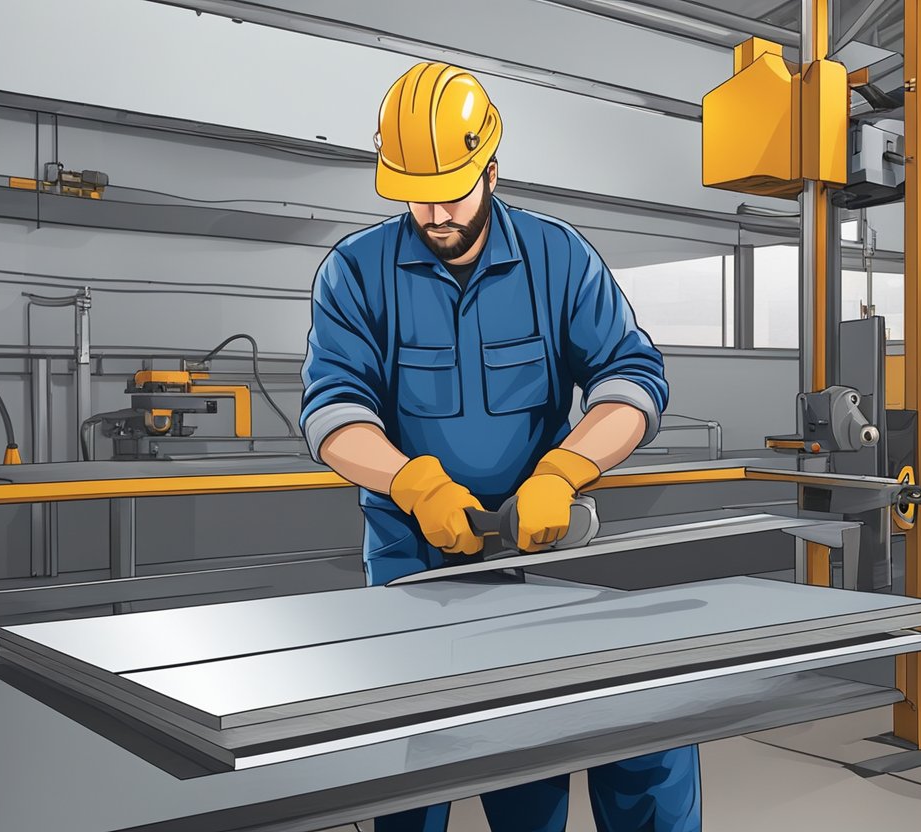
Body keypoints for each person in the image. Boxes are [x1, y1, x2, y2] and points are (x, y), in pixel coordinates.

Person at [300, 62, 700, 832]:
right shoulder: (354, 272)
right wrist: (412, 484)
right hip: (411, 564)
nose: (436, 210)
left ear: (491, 167)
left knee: (530, 765)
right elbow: (333, 410)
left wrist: (566, 469)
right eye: (416, 191)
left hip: (536, 553)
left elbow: (632, 378)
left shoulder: (557, 259)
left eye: (452, 187)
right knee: (411, 773)